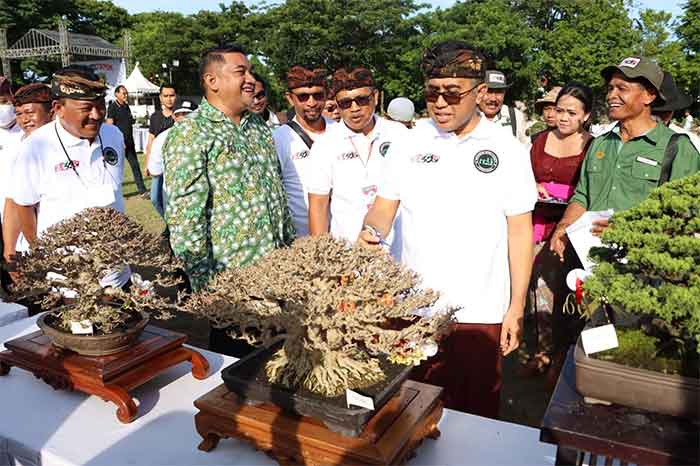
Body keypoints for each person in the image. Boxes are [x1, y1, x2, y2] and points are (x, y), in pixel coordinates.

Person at [358, 41, 536, 419]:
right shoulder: (409, 142)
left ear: (481, 93)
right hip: (415, 305)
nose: (440, 103)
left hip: (480, 309)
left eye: (452, 94)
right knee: (410, 410)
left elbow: (520, 232)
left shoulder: (507, 150)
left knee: (474, 415)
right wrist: (370, 232)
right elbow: (383, 209)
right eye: (432, 93)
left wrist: (516, 306)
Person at [163, 44, 294, 357]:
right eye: (241, 72)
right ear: (213, 81)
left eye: (249, 71)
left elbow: (276, 197)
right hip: (233, 288)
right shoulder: (191, 133)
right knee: (240, 378)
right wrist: (207, 289)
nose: (250, 78)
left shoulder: (259, 129)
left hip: (277, 280)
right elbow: (185, 219)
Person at [551, 57, 700, 261]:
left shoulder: (678, 148)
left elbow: (686, 218)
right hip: (590, 260)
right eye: (610, 88)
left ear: (649, 95)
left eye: (622, 88)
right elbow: (583, 195)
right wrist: (564, 225)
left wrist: (628, 230)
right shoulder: (600, 143)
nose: (612, 95)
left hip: (644, 267)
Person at [8, 66, 125, 249]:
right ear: (58, 108)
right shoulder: (35, 147)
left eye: (100, 106)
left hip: (115, 265)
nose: (96, 115)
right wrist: (40, 249)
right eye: (86, 108)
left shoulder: (114, 135)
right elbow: (24, 205)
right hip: (65, 271)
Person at [523, 83, 593, 377]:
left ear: (585, 116)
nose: (563, 117)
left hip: (572, 226)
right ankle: (542, 350)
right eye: (560, 110)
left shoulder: (593, 146)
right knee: (539, 287)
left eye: (571, 112)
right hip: (538, 221)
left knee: (570, 291)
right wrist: (533, 185)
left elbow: (591, 188)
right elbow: (523, 175)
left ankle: (564, 352)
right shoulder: (539, 140)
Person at [306, 67, 408, 251]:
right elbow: (318, 207)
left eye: (362, 100)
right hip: (348, 253)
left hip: (397, 251)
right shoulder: (325, 144)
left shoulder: (400, 134)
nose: (354, 109)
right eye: (345, 103)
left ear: (375, 97)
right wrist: (321, 259)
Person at [272, 66, 335, 237]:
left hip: (341, 235)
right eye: (303, 97)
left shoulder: (340, 132)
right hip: (300, 238)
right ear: (290, 99)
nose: (311, 103)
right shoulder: (279, 138)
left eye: (318, 95)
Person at [2, 83, 54, 262]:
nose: (24, 119)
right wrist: (10, 250)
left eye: (30, 113)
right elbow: (14, 202)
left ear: (52, 111)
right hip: (35, 248)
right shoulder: (20, 149)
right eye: (19, 114)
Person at [146, 100, 195, 212]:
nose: (184, 118)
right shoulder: (162, 139)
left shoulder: (207, 137)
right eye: (180, 114)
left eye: (187, 114)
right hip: (173, 196)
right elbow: (155, 171)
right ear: (173, 116)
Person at [107, 84, 146, 195]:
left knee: (135, 166)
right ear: (117, 94)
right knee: (115, 168)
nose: (126, 95)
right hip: (118, 144)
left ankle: (142, 190)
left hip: (129, 142)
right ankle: (114, 193)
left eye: (126, 93)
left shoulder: (126, 106)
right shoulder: (112, 107)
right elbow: (110, 126)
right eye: (123, 93)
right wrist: (117, 141)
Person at [145, 84, 176, 216]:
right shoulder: (155, 117)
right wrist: (147, 163)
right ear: (160, 98)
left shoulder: (181, 116)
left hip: (174, 165)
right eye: (166, 96)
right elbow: (150, 141)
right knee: (154, 198)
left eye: (172, 95)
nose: (169, 99)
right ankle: (168, 223)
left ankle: (171, 227)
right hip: (157, 164)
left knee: (171, 199)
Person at [652, 72, 700, 152]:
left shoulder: (690, 142)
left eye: (663, 112)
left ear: (671, 112)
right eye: (654, 112)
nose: (656, 118)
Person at [479, 70, 529, 145]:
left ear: (504, 94)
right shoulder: (466, 117)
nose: (493, 98)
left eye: (499, 92)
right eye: (488, 91)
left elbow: (526, 149)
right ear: (478, 93)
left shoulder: (515, 116)